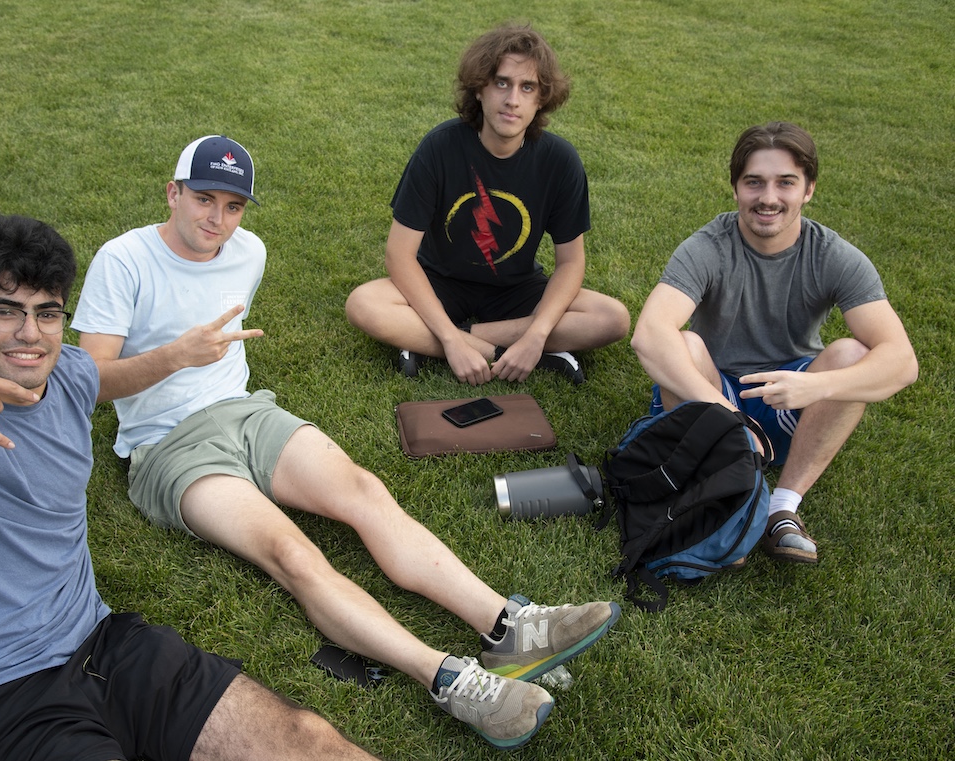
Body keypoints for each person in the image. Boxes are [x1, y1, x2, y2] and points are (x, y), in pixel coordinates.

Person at [72, 135, 622, 750]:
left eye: (233, 206)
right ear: (172, 194)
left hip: (248, 414)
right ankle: (450, 679)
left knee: (365, 492)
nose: (216, 220)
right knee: (293, 553)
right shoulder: (122, 261)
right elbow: (87, 382)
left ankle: (510, 625)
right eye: (203, 199)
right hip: (170, 447)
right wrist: (175, 358)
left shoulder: (246, 252)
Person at [0, 215, 380, 761]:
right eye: (4, 311)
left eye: (47, 312)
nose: (30, 334)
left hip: (103, 643)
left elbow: (104, 380)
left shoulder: (67, 375)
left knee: (306, 739)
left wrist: (174, 357)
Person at [631, 122, 918, 564]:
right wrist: (730, 417)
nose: (768, 198)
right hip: (710, 397)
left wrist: (816, 388)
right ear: (736, 190)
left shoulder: (832, 255)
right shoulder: (709, 246)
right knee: (684, 344)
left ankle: (782, 508)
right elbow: (649, 335)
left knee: (851, 356)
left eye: (786, 182)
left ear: (808, 190)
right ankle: (731, 501)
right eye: (754, 183)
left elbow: (902, 362)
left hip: (791, 402)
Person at [344, 23, 630, 386]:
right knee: (363, 304)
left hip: (517, 291)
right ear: (479, 88)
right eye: (501, 83)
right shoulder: (440, 148)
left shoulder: (559, 160)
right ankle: (486, 348)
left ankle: (427, 340)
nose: (513, 100)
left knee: (611, 317)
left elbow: (571, 261)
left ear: (541, 98)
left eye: (527, 87)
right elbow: (399, 255)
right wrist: (451, 339)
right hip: (439, 284)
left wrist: (538, 334)